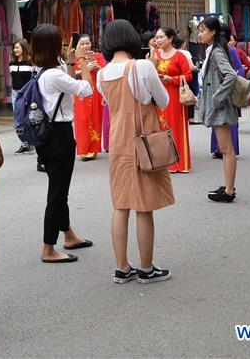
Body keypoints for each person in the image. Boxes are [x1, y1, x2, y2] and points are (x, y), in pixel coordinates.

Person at [98, 20, 174, 284]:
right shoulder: (141, 67)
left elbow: (110, 103)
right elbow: (163, 101)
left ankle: (122, 268)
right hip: (142, 141)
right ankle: (146, 268)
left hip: (117, 141)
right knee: (144, 207)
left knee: (120, 205)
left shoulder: (102, 74)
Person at [29, 24, 96, 263]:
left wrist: (69, 62)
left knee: (60, 187)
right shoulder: (53, 75)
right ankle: (48, 247)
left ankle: (69, 234)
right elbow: (86, 90)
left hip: (47, 137)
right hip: (59, 136)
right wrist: (82, 61)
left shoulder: (40, 71)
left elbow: (65, 86)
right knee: (57, 192)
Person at [199, 17, 240, 203]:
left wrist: (217, 97)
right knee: (225, 149)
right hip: (219, 106)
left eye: (202, 30)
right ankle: (228, 186)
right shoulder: (214, 50)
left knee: (226, 149)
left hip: (220, 107)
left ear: (213, 32)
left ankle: (229, 190)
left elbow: (231, 75)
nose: (199, 34)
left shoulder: (216, 52)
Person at [152, 27, 192, 173]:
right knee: (160, 128)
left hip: (175, 96)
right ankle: (162, 162)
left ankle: (179, 162)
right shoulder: (154, 55)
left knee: (175, 127)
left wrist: (172, 79)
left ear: (170, 39)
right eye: (156, 38)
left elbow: (188, 76)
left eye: (161, 37)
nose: (158, 40)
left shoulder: (179, 56)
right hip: (158, 95)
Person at [69, 35, 107, 162]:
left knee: (95, 117)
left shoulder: (98, 56)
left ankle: (94, 149)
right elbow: (71, 76)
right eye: (83, 44)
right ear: (78, 45)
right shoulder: (74, 58)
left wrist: (97, 68)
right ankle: (84, 149)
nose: (86, 46)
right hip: (81, 91)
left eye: (88, 43)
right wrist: (85, 69)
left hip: (95, 91)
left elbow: (104, 73)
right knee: (83, 119)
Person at [210, 24, 245, 159]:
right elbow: (239, 70)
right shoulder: (231, 50)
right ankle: (230, 148)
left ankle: (218, 148)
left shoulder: (213, 50)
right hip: (229, 89)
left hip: (217, 88)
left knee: (217, 118)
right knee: (230, 119)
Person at [10, 38, 34, 155]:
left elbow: (33, 80)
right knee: (18, 120)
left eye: (17, 47)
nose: (15, 50)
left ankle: (29, 143)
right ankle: (25, 143)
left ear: (24, 48)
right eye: (14, 48)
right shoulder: (12, 63)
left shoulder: (30, 62)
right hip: (15, 94)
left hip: (26, 94)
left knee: (26, 119)